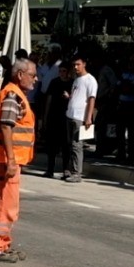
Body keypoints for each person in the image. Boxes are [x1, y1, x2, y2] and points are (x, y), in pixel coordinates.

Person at [0, 59, 38, 263]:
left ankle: (3, 244)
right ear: (20, 74)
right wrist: (12, 159)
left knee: (9, 205)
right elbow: (6, 126)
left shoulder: (14, 94)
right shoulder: (13, 95)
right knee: (4, 204)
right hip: (6, 161)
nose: (35, 78)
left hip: (4, 159)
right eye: (32, 75)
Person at [62, 54, 96, 183]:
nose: (76, 67)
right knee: (69, 144)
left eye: (78, 64)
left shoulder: (90, 80)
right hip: (70, 114)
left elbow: (91, 99)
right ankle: (69, 170)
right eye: (74, 65)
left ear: (84, 64)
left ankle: (77, 173)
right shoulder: (77, 80)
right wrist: (69, 97)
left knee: (77, 145)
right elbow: (77, 96)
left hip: (80, 117)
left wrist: (88, 117)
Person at [38, 63, 73, 178]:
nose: (62, 74)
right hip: (54, 116)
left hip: (67, 117)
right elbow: (49, 99)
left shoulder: (72, 83)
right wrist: (45, 117)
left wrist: (69, 97)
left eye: (64, 71)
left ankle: (66, 169)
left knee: (66, 144)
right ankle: (50, 169)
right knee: (52, 144)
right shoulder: (55, 82)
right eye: (60, 71)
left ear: (68, 72)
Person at [114, 54, 134, 164]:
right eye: (130, 62)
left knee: (132, 132)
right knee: (120, 131)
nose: (132, 65)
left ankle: (131, 155)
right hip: (122, 104)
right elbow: (119, 86)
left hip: (133, 105)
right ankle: (120, 153)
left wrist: (129, 85)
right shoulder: (124, 73)